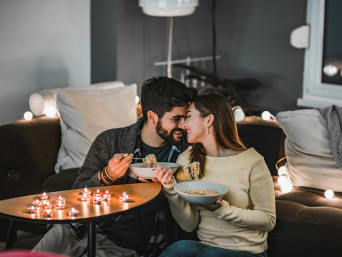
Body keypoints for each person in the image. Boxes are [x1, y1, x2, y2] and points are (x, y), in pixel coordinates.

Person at [32, 77, 197, 257]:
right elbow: (76, 196)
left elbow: (189, 215)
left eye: (186, 118)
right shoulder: (110, 142)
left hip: (127, 246)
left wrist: (168, 187)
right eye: (177, 118)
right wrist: (106, 176)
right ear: (151, 116)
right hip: (81, 230)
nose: (184, 125)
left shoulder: (188, 151)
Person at [155, 93, 276, 257]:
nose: (183, 124)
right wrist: (170, 189)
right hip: (205, 245)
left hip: (247, 251)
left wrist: (222, 210)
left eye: (189, 117)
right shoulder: (187, 160)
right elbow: (189, 225)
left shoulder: (253, 163)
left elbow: (268, 220)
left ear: (209, 120)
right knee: (178, 249)